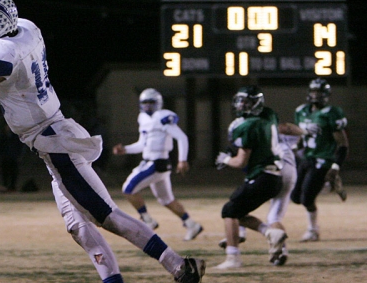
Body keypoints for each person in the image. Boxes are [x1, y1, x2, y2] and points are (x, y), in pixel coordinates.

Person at [0, 0, 205, 283]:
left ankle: (180, 267)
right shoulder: (24, 29)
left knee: (105, 216)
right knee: (78, 227)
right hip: (53, 135)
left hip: (54, 141)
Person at [112, 88, 203, 241]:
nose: (148, 106)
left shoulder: (163, 117)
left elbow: (181, 138)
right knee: (166, 200)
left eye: (151, 102)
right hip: (152, 162)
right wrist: (126, 150)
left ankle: (148, 221)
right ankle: (191, 224)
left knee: (128, 189)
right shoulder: (143, 118)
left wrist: (182, 159)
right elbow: (143, 144)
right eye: (145, 103)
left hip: (157, 162)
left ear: (158, 103)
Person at [213, 85, 287, 269]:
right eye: (240, 100)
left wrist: (226, 159)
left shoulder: (246, 127)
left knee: (229, 211)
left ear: (256, 103)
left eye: (246, 101)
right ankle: (271, 233)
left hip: (262, 175)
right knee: (237, 211)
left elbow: (240, 162)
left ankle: (233, 258)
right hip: (275, 176)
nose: (241, 104)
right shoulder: (269, 114)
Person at [291, 78, 349, 242]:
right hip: (307, 156)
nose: (316, 95)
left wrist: (336, 166)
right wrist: (297, 146)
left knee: (307, 198)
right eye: (314, 91)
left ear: (326, 95)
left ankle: (312, 230)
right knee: (295, 198)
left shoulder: (332, 113)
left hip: (324, 158)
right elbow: (302, 135)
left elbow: (343, 144)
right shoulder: (301, 111)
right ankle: (328, 185)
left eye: (320, 92)